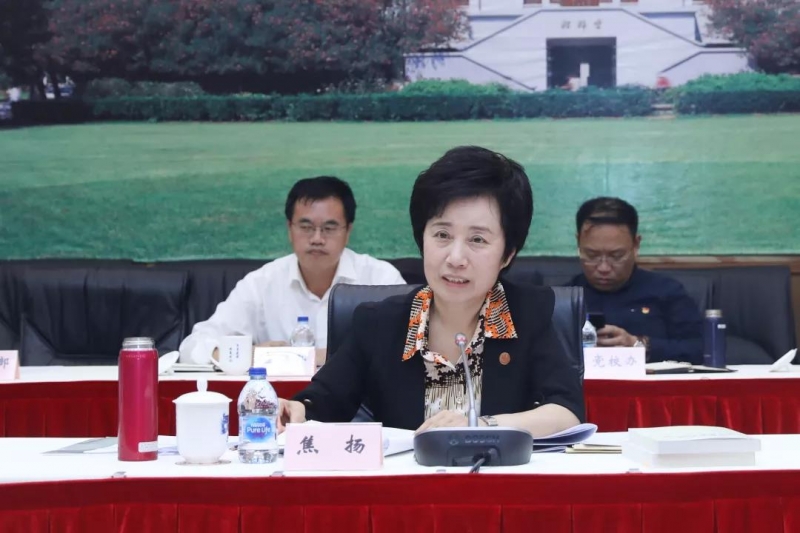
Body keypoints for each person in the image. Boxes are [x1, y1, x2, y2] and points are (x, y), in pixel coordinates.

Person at [278, 146, 584, 435]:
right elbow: (323, 402)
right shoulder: (379, 323)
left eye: (477, 240)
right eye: (442, 235)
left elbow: (567, 412)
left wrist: (479, 426)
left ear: (507, 254)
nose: (456, 258)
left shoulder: (528, 315)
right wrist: (294, 411)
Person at [179, 176, 405, 365]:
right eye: (306, 227)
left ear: (348, 231)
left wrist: (319, 356)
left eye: (329, 228)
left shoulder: (381, 279)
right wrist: (252, 355)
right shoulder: (261, 284)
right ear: (290, 229)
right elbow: (193, 347)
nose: (317, 239)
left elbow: (412, 344)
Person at [569, 197, 703, 363]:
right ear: (578, 243)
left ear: (636, 245)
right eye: (592, 255)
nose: (603, 267)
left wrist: (639, 345)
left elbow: (701, 348)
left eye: (616, 256)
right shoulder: (563, 299)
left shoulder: (667, 292)